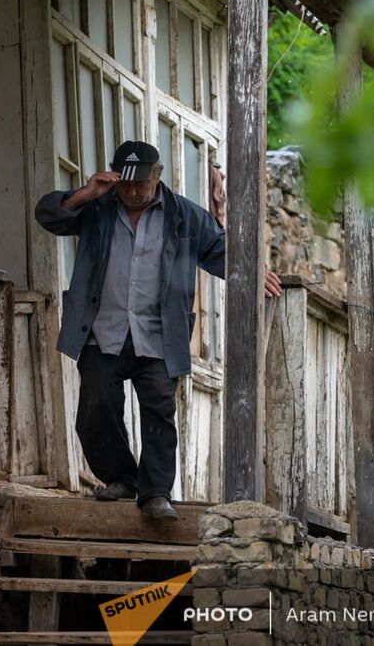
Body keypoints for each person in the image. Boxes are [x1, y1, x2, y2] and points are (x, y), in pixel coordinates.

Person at [35, 141, 282, 520]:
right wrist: (87, 191)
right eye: (126, 185)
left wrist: (249, 270)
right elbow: (49, 216)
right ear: (114, 179)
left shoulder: (184, 215)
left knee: (159, 411)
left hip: (159, 334)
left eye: (142, 185)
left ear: (158, 175)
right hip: (102, 330)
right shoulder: (96, 209)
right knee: (96, 406)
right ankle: (121, 477)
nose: (133, 192)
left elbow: (219, 248)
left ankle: (155, 493)